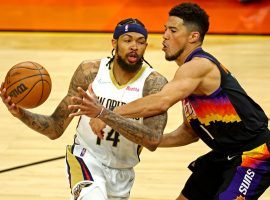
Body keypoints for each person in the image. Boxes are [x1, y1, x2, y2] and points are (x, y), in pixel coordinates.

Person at [68, 3, 270, 200]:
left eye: (173, 30)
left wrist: (106, 114)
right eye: (165, 29)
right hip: (224, 154)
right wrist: (147, 139)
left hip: (255, 154)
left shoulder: (198, 66)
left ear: (193, 37)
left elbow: (161, 101)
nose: (164, 35)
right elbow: (189, 133)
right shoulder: (187, 78)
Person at [0, 18, 168, 200]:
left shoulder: (154, 84)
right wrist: (21, 114)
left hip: (122, 172)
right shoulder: (90, 72)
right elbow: (55, 127)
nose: (134, 46)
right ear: (114, 43)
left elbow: (152, 140)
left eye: (140, 41)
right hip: (86, 159)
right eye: (127, 40)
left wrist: (104, 114)